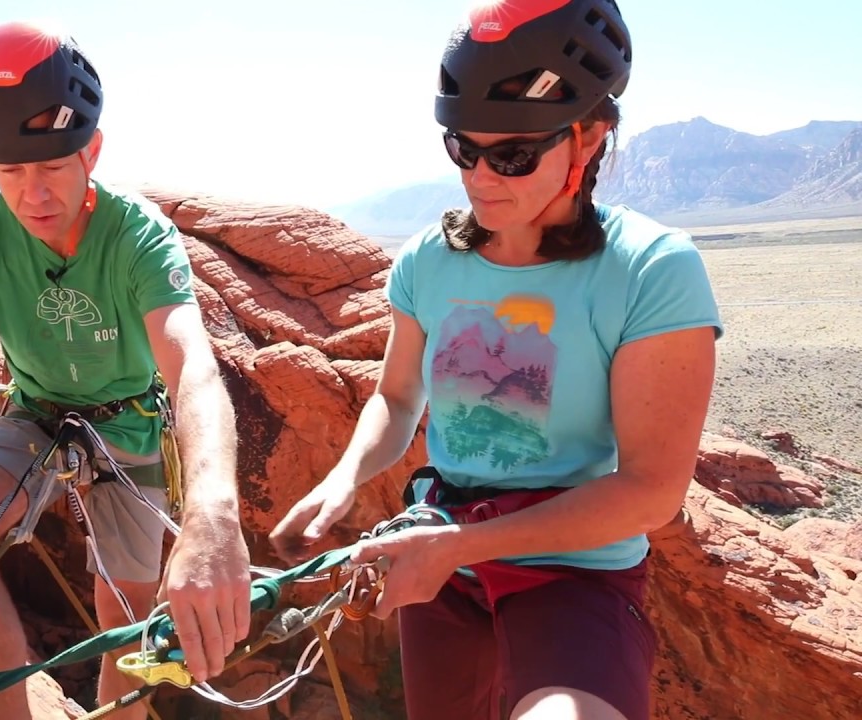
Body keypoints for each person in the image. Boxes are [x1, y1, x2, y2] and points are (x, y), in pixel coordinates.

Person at [270, 2, 722, 719]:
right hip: (443, 563)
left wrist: (460, 545)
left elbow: (650, 490)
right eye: (463, 149)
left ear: (588, 138)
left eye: (512, 155)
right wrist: (348, 476)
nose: (480, 177)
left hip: (571, 572)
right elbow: (396, 396)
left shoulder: (650, 269)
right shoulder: (428, 259)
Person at [0, 21, 252, 720]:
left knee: (125, 614)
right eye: (10, 173)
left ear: (91, 150)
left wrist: (214, 509)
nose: (32, 195)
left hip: (126, 416)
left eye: (52, 167)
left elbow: (192, 369)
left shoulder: (137, 234)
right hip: (33, 413)